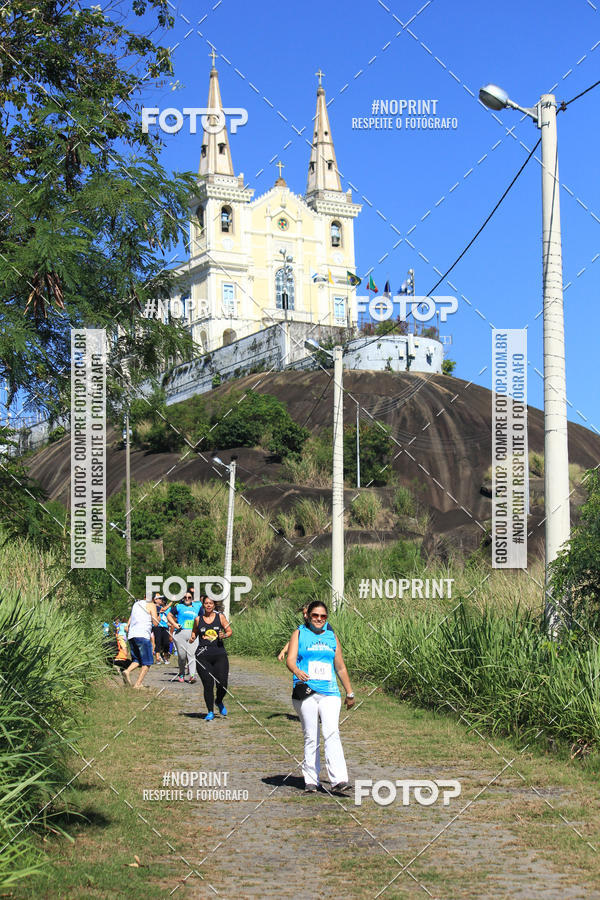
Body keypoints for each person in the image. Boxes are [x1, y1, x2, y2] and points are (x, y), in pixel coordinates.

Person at [286, 600, 355, 793]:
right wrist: (296, 670)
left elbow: (340, 667)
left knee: (332, 732)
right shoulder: (299, 634)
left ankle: (339, 779)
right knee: (311, 735)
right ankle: (311, 779)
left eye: (323, 616)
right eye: (315, 615)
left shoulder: (332, 637)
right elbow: (290, 659)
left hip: (330, 692)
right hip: (306, 690)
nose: (319, 619)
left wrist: (349, 692)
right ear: (308, 615)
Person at [189, 596, 232, 721]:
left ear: (214, 605)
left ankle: (218, 701)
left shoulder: (220, 617)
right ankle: (210, 711)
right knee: (208, 685)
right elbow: (194, 632)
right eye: (206, 603)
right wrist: (192, 638)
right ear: (203, 605)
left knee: (222, 683)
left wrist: (224, 635)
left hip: (219, 655)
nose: (208, 605)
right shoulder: (198, 619)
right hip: (203, 656)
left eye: (210, 603)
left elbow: (229, 631)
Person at [123, 596, 159, 689]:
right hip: (143, 635)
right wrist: (159, 616)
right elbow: (155, 623)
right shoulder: (151, 605)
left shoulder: (136, 604)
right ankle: (138, 684)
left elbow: (131, 617)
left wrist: (127, 625)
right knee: (147, 662)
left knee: (137, 660)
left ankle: (127, 671)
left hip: (132, 635)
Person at [167, 590, 203, 683]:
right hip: (180, 634)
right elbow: (169, 616)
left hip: (193, 634)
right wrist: (175, 624)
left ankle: (192, 676)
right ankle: (181, 673)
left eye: (189, 597)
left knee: (191, 655)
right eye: (185, 597)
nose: (187, 599)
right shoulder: (178, 606)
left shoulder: (197, 606)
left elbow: (202, 618)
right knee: (182, 656)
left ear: (192, 598)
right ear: (182, 598)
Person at [152, 594, 172, 664]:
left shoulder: (169, 609)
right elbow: (163, 609)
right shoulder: (156, 607)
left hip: (165, 626)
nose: (160, 600)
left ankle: (165, 656)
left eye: (161, 599)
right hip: (157, 626)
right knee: (158, 641)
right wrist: (171, 602)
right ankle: (157, 658)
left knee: (166, 642)